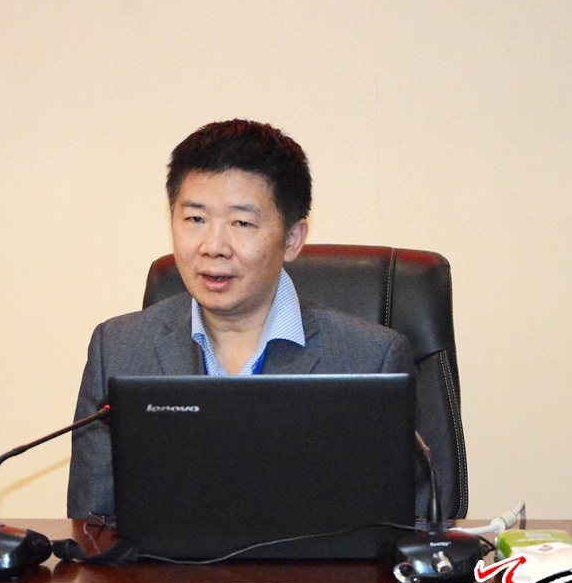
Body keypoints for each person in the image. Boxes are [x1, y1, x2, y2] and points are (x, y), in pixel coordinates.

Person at [67, 119, 415, 519]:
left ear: (292, 239)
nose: (213, 246)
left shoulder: (371, 359)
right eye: (195, 219)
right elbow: (93, 526)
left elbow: (404, 531)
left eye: (242, 223)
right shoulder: (119, 349)